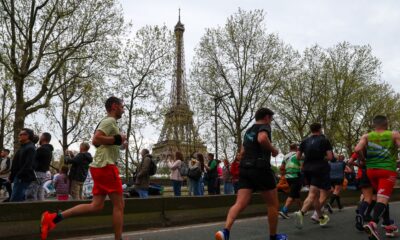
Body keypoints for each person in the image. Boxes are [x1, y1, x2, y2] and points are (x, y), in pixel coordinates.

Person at [40, 96, 127, 240]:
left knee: (96, 206)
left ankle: (53, 218)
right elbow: (96, 139)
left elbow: (101, 144)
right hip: (106, 167)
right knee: (119, 205)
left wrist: (120, 143)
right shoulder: (109, 121)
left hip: (99, 167)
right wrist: (117, 139)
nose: (123, 109)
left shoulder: (111, 123)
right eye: (122, 106)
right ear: (114, 106)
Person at [215, 108, 287, 240]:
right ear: (266, 117)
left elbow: (242, 151)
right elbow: (262, 138)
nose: (271, 121)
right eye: (271, 119)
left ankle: (225, 231)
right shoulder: (264, 127)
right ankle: (273, 236)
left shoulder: (248, 130)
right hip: (260, 169)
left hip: (245, 169)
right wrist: (273, 150)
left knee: (240, 203)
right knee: (273, 204)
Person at [354, 115, 400, 240]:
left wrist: (363, 159)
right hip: (387, 171)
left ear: (374, 124)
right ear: (387, 124)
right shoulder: (394, 134)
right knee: (382, 200)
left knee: (382, 198)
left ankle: (388, 224)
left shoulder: (367, 136)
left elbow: (357, 149)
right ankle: (373, 224)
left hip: (371, 171)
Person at [293, 123, 332, 229]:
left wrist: (308, 158)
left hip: (307, 169)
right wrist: (319, 158)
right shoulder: (324, 140)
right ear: (320, 129)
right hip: (320, 169)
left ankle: (321, 217)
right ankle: (301, 212)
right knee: (318, 193)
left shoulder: (304, 141)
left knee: (314, 194)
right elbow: (329, 157)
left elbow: (297, 157)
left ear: (310, 130)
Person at [9, 128, 37, 202]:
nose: (19, 136)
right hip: (18, 177)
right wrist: (12, 176)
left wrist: (19, 175)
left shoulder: (30, 148)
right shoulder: (23, 147)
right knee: (18, 199)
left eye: (21, 134)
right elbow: (16, 163)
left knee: (15, 200)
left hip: (22, 178)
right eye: (19, 134)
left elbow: (28, 165)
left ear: (28, 136)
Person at [279, 143, 303, 219]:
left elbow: (282, 168)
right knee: (292, 194)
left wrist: (284, 175)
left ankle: (302, 210)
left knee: (296, 194)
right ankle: (284, 210)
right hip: (296, 176)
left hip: (288, 177)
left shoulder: (285, 156)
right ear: (296, 148)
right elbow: (302, 167)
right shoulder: (298, 155)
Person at [28, 132, 53, 201]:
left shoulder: (42, 149)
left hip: (37, 173)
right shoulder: (49, 150)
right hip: (43, 173)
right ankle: (41, 209)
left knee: (32, 193)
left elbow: (33, 160)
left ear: (43, 138)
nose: (39, 137)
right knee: (40, 193)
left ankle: (33, 209)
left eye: (41, 136)